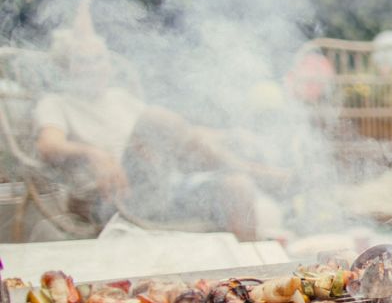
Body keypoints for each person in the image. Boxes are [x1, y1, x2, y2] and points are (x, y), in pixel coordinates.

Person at [33, 26, 286, 241]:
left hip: (155, 190)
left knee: (236, 186)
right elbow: (48, 145)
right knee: (154, 118)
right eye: (83, 61)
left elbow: (179, 134)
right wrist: (93, 153)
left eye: (100, 58)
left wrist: (229, 134)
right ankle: (250, 169)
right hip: (109, 197)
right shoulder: (56, 102)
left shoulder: (119, 99)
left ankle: (253, 280)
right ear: (66, 67)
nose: (94, 67)